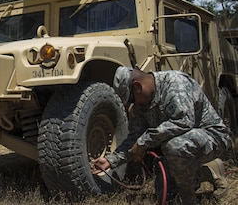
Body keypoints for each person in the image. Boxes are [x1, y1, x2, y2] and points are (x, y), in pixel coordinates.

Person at [91, 66, 232, 204]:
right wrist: (111, 160)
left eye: (132, 99)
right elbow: (134, 139)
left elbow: (183, 122)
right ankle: (210, 171)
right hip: (179, 149)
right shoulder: (141, 105)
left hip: (212, 137)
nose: (132, 104)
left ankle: (187, 199)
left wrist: (144, 142)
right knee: (165, 192)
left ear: (137, 87)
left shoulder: (175, 84)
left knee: (175, 147)